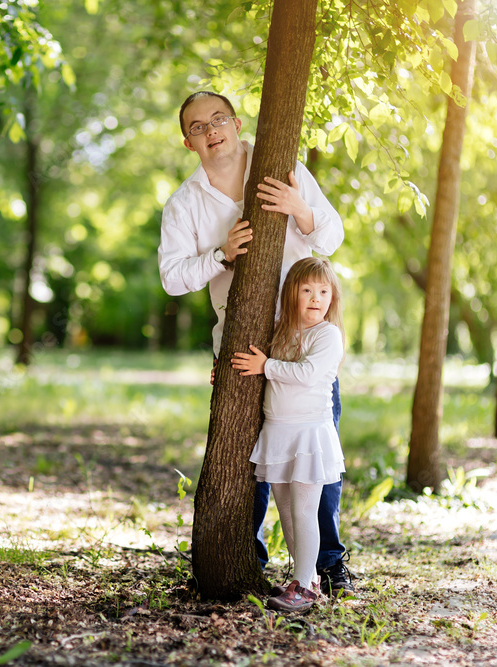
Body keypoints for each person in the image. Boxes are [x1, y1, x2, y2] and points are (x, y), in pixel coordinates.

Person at [158, 90, 354, 595]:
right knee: (250, 459)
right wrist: (220, 256)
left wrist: (300, 209)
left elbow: (331, 236)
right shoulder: (185, 204)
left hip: (300, 340)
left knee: (314, 451)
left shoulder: (279, 168)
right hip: (243, 347)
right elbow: (173, 278)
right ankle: (250, 558)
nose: (211, 129)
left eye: (218, 119)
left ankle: (327, 564)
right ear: (188, 142)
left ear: (237, 122)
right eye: (198, 126)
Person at [231, 257, 346, 611]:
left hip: (309, 434)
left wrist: (266, 365)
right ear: (291, 293)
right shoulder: (281, 330)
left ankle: (307, 588)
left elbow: (308, 373)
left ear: (332, 297)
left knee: (304, 511)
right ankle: (305, 576)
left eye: (323, 291)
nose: (316, 298)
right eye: (307, 290)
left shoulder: (327, 334)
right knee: (286, 512)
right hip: (278, 432)